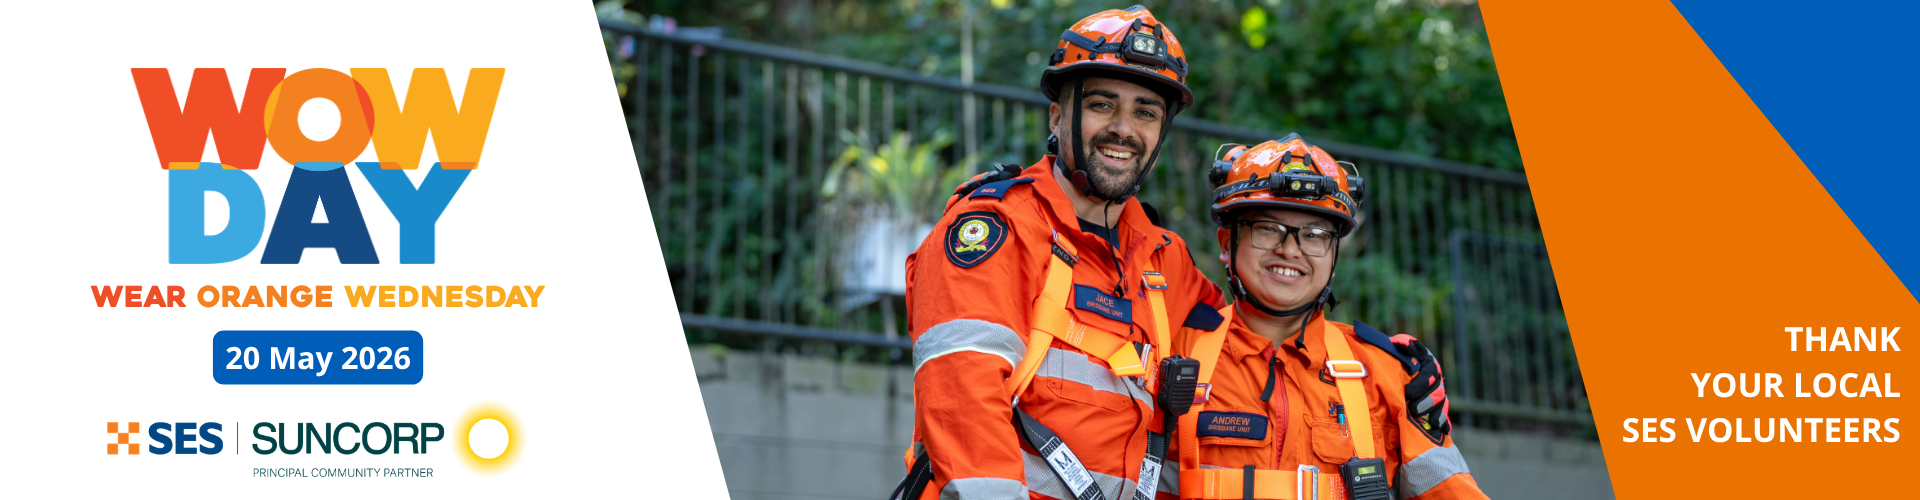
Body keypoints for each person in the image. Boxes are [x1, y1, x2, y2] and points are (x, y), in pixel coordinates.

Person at [895, 6, 1225, 500]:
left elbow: (1248, 349)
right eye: (1101, 104)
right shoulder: (1000, 228)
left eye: (1146, 112)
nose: (1124, 129)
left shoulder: (1164, 259)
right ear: (1057, 116)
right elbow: (964, 402)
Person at [1163, 135, 1485, 500]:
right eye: (1267, 228)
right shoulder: (1170, 352)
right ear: (1226, 243)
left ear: (1334, 255)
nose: (1290, 250)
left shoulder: (1388, 374)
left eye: (1314, 235)